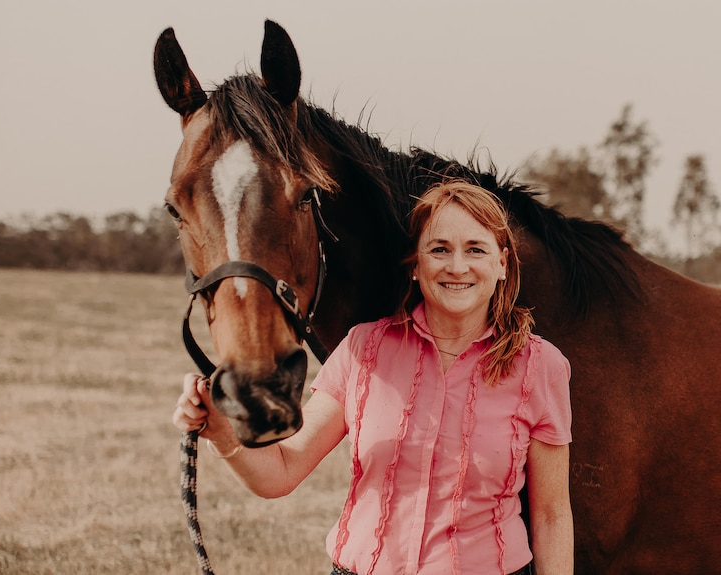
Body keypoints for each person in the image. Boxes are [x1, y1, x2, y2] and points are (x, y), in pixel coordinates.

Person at [173, 180, 573, 575]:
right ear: (416, 266)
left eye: (475, 250)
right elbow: (281, 471)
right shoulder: (364, 348)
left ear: (502, 264)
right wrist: (223, 429)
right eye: (439, 249)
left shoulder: (541, 367)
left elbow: (551, 516)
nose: (456, 266)